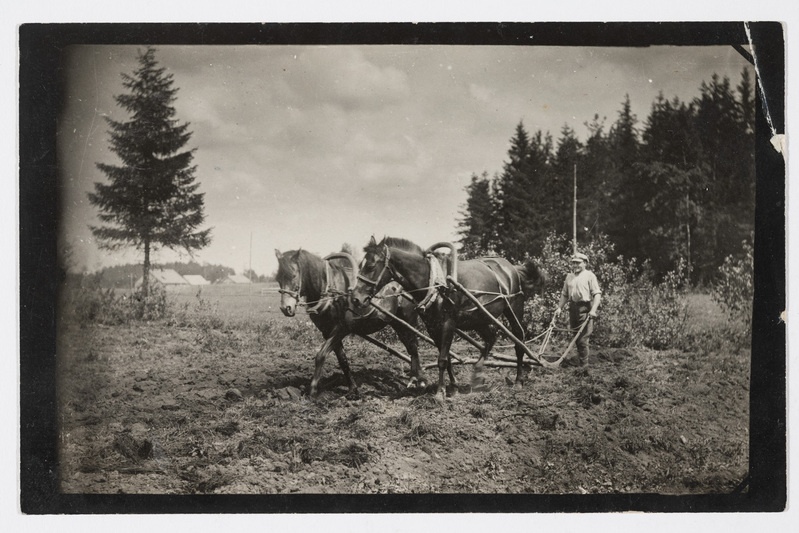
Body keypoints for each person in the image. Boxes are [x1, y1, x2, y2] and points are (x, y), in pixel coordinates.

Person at [554, 252, 602, 366]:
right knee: (576, 338)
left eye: (578, 263)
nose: (575, 265)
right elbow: (565, 294)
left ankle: (584, 368)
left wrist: (593, 310)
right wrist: (559, 308)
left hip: (585, 309)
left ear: (585, 263)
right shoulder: (569, 277)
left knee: (583, 339)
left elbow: (597, 294)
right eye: (573, 263)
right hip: (573, 308)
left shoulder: (590, 276)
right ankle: (582, 363)